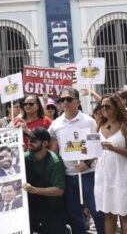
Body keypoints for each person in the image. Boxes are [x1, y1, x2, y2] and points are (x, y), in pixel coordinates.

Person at [49, 88, 104, 234]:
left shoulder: (89, 121)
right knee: (75, 215)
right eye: (62, 100)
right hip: (67, 176)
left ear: (78, 102)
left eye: (69, 99)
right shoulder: (55, 124)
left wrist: (87, 163)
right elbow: (53, 149)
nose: (65, 102)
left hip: (88, 174)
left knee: (97, 211)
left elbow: (96, 145)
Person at [95, 94, 127, 234]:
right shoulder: (100, 124)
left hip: (122, 174)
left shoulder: (126, 125)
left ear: (117, 108)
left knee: (126, 214)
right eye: (102, 106)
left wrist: (113, 148)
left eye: (108, 106)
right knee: (108, 214)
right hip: (104, 174)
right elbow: (94, 149)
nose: (104, 109)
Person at [24, 127, 66, 233]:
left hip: (52, 207)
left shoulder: (55, 161)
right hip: (31, 206)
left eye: (34, 141)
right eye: (29, 140)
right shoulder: (24, 157)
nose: (30, 143)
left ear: (45, 143)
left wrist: (35, 190)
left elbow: (59, 190)